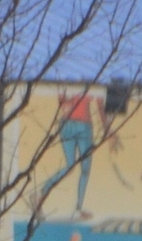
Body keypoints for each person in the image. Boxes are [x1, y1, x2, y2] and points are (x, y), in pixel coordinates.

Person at [33, 89, 101, 223]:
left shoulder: (92, 81)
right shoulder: (72, 80)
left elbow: (100, 105)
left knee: (81, 168)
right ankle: (41, 195)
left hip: (79, 125)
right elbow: (63, 101)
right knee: (75, 168)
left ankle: (78, 208)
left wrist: (108, 128)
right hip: (72, 125)